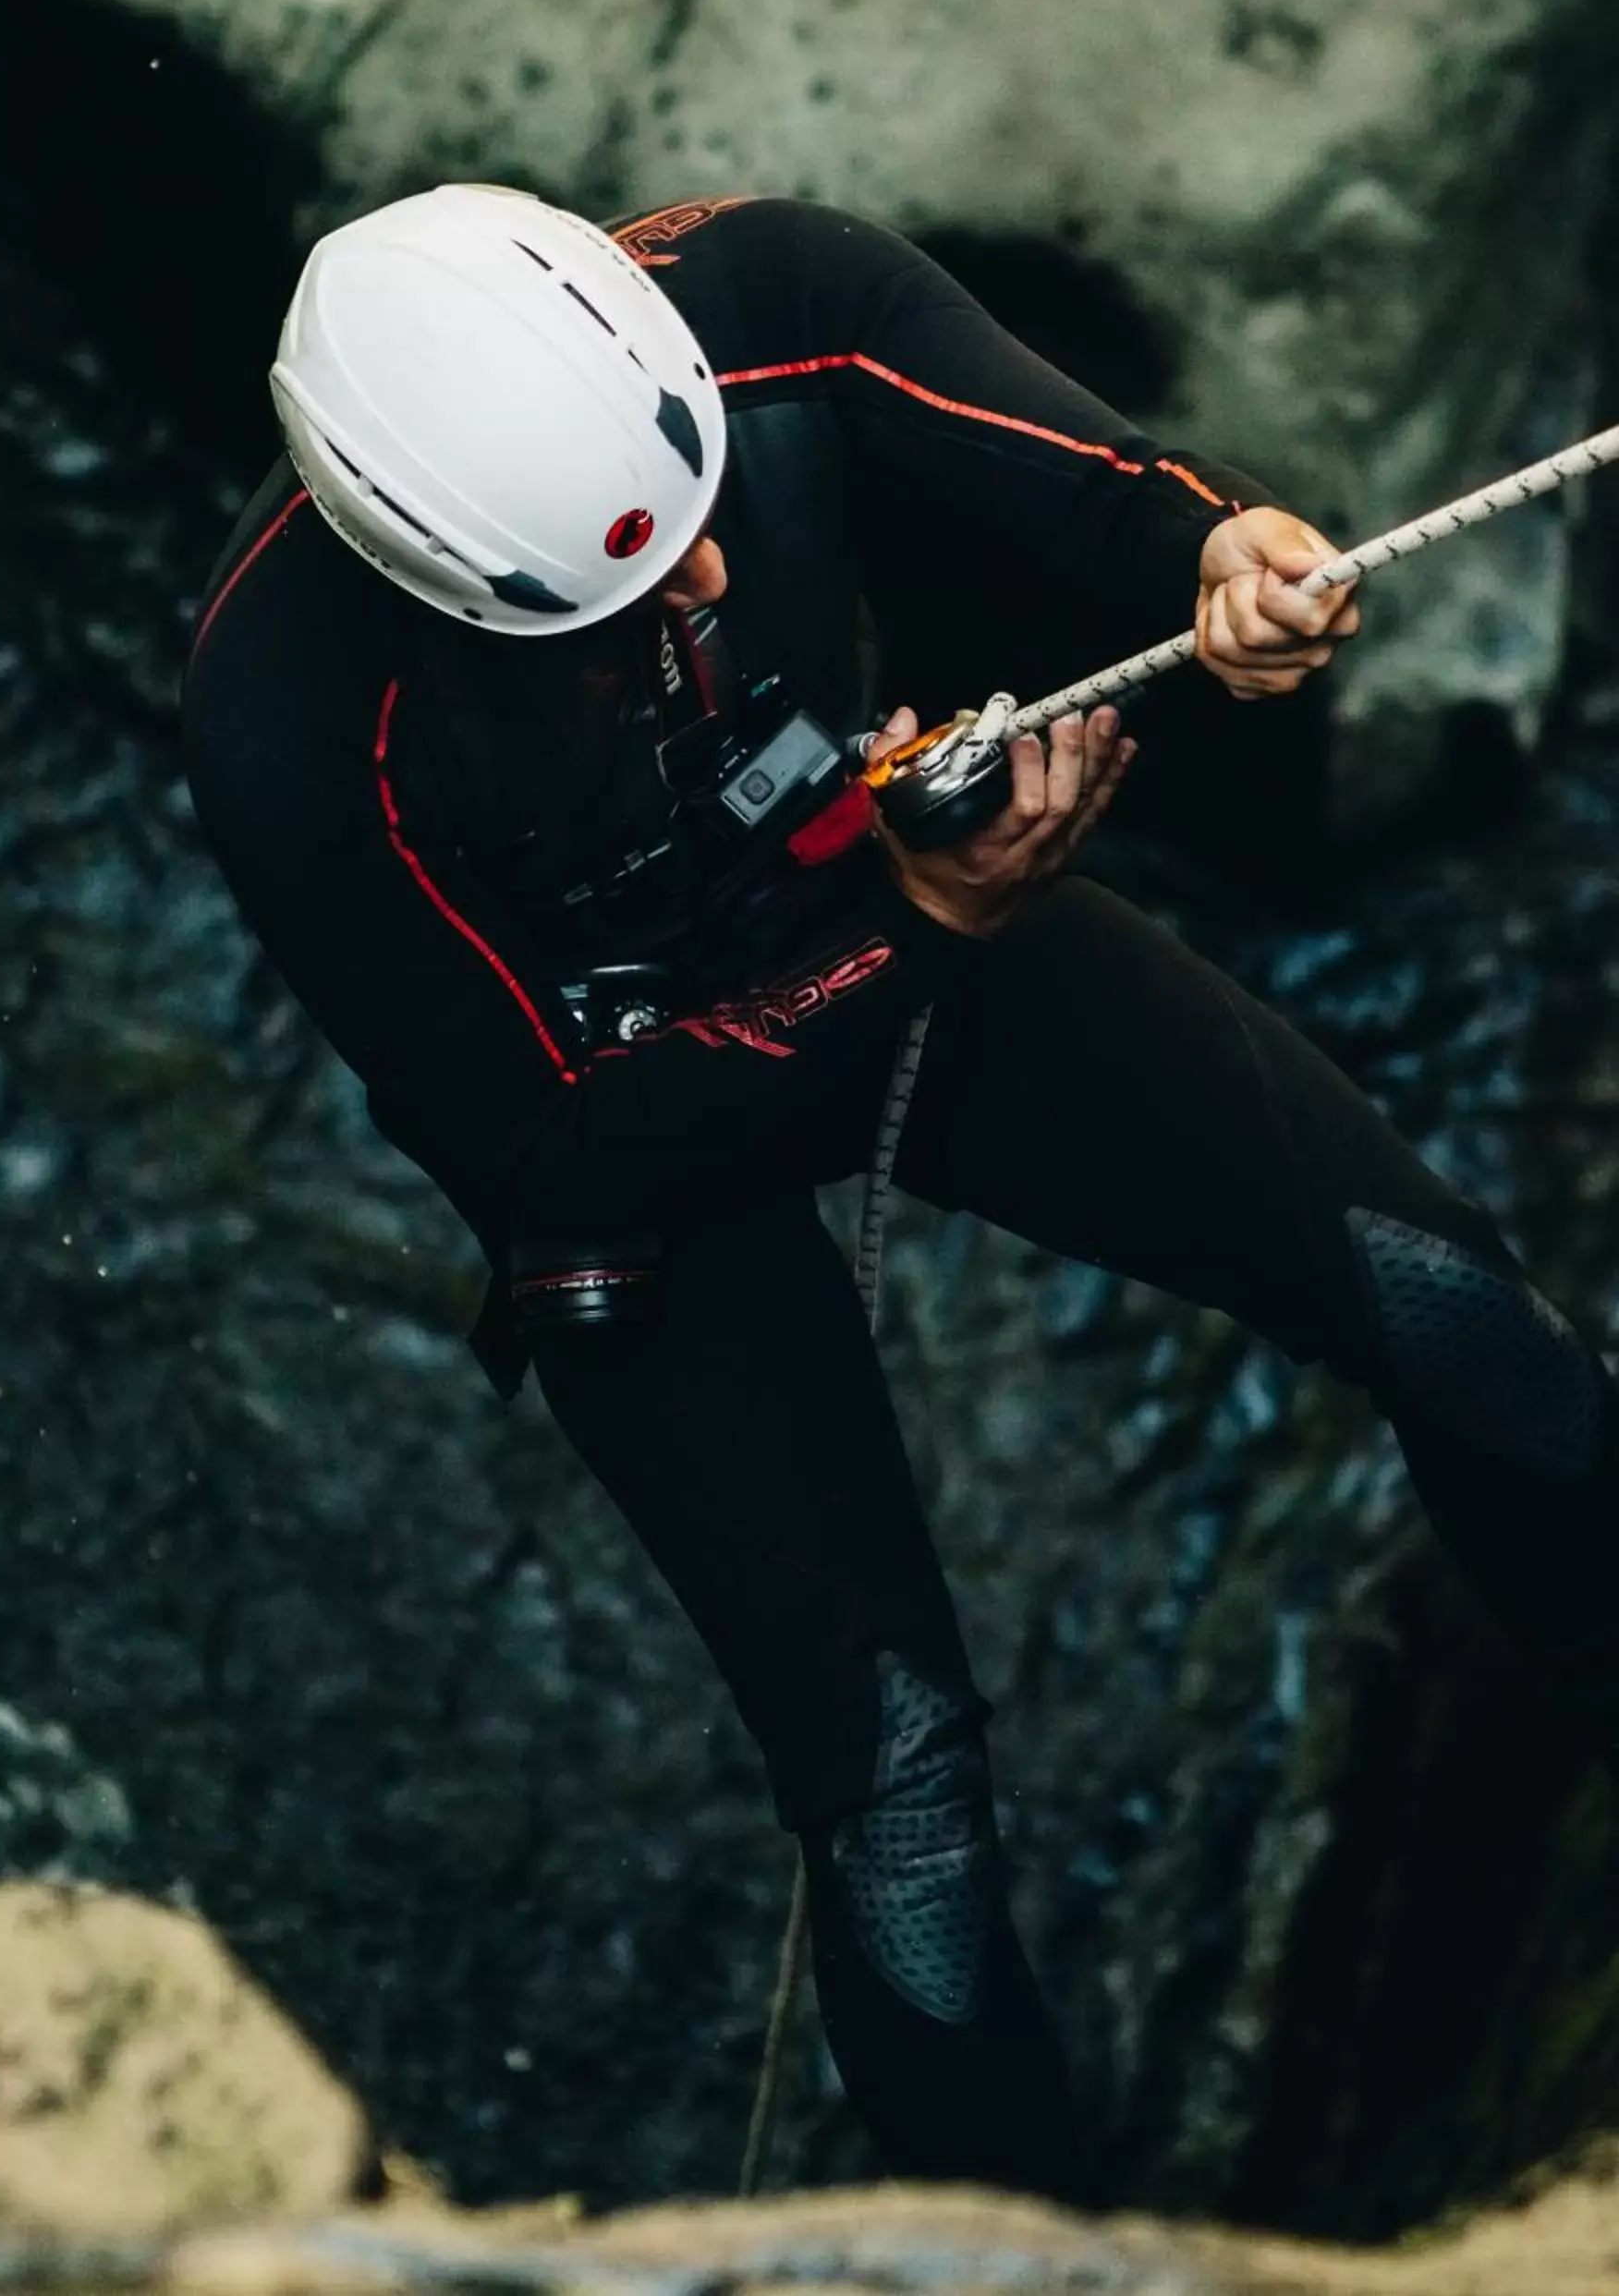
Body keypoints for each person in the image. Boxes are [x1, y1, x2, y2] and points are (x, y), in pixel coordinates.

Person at [180, 186, 1619, 2204]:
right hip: (654, 1144)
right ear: (442, 582)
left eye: (694, 511)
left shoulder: (761, 295)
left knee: (1454, 1309)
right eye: (623, 594)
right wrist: (912, 931)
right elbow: (557, 1162)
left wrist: (1224, 546)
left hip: (891, 902)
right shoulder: (293, 730)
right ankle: (1033, 2252)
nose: (699, 573)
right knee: (899, 1798)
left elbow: (1084, 480)